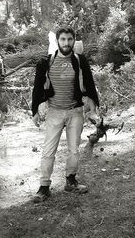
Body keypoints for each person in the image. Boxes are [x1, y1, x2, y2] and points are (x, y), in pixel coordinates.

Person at [31, 27, 100, 203]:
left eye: (70, 39)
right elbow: (38, 88)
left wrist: (93, 109)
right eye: (63, 39)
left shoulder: (79, 61)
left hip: (75, 112)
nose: (66, 43)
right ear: (57, 41)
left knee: (74, 151)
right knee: (48, 152)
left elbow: (90, 85)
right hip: (54, 113)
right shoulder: (46, 62)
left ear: (73, 41)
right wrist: (35, 112)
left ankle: (70, 181)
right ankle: (44, 187)